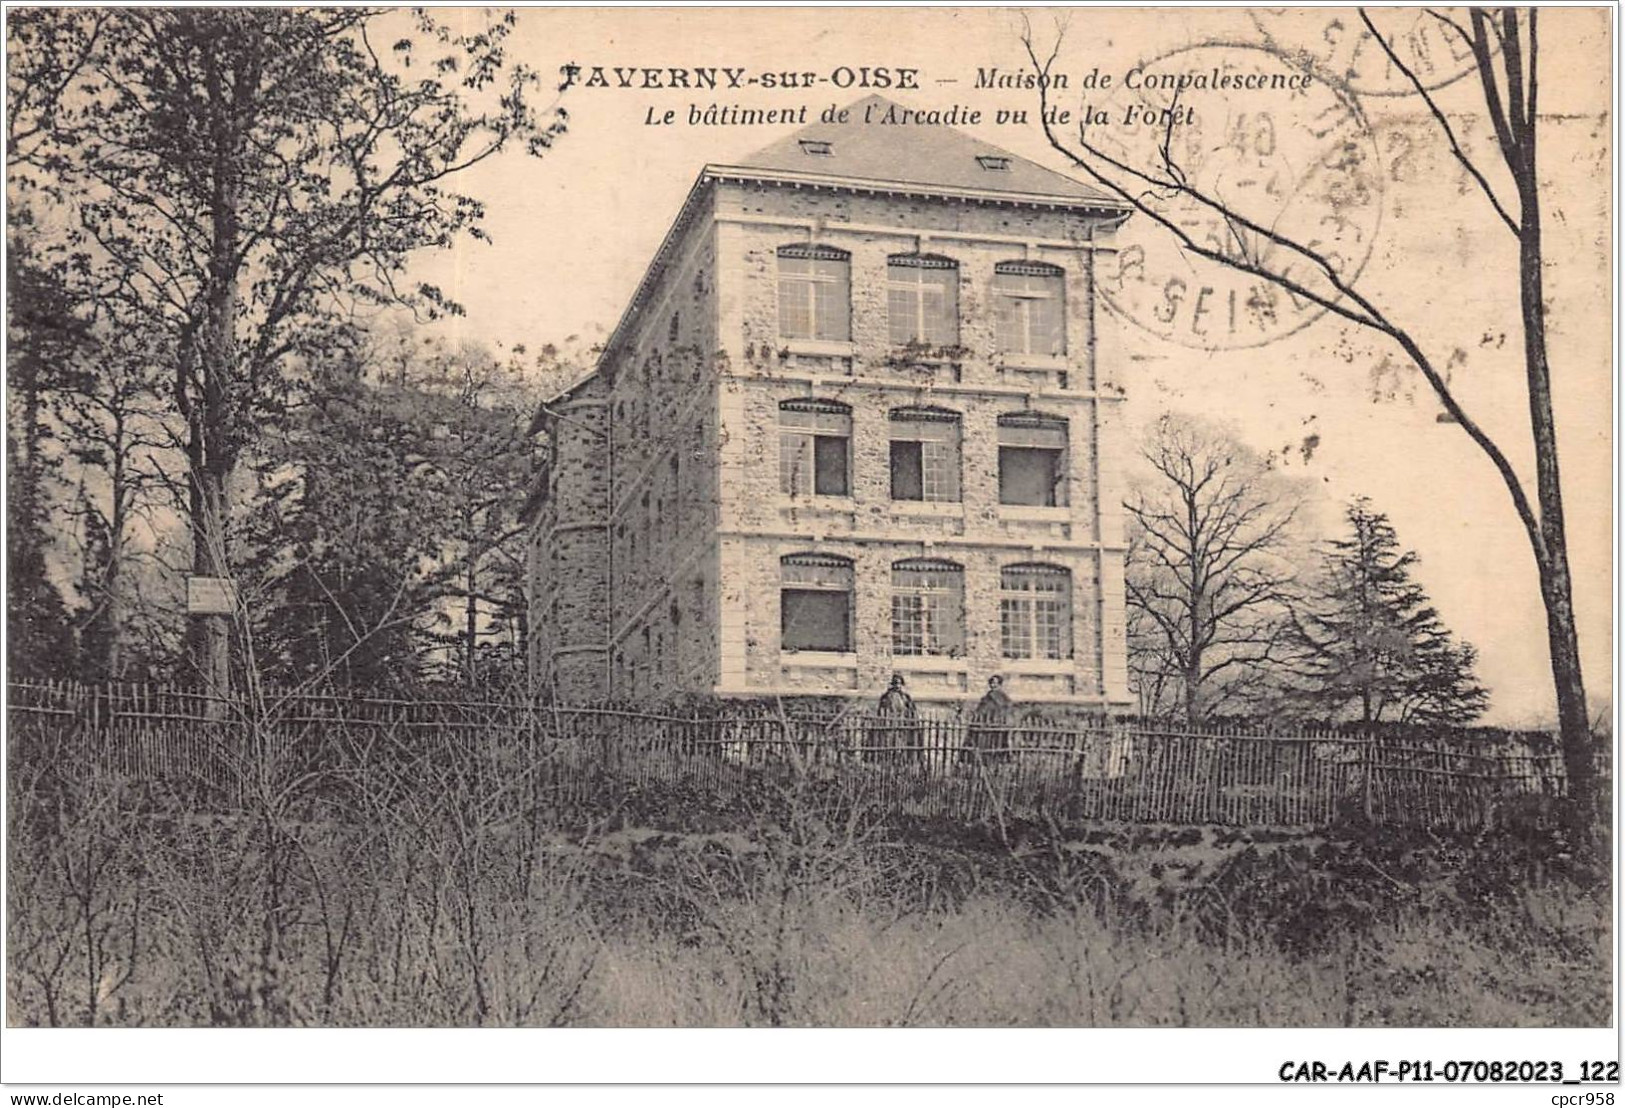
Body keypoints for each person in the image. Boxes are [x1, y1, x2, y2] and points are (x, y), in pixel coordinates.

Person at [965, 674, 1014, 766]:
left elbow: (1006, 711)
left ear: (1000, 685)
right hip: (984, 727)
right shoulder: (986, 698)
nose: (993, 685)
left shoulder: (1004, 699)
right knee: (982, 747)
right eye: (991, 683)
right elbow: (980, 711)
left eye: (995, 683)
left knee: (997, 747)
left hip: (997, 727)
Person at [872, 674, 918, 764]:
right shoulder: (886, 697)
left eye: (900, 684)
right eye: (896, 684)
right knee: (889, 742)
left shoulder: (905, 697)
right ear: (892, 684)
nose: (898, 686)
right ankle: (888, 759)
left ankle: (901, 760)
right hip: (889, 724)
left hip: (902, 724)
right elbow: (882, 710)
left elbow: (911, 710)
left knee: (902, 742)